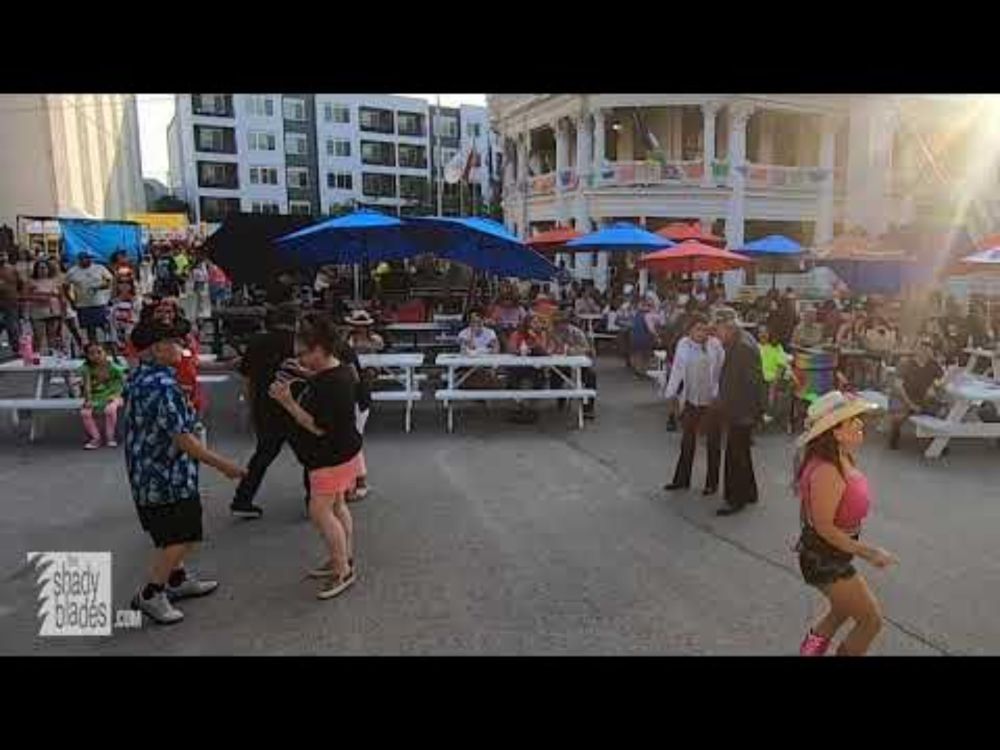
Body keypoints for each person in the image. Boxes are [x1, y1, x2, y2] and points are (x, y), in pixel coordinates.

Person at [124, 323, 246, 625]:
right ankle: (151, 594)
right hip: (166, 476)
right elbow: (182, 438)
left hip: (150, 471)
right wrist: (224, 465)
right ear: (157, 348)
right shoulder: (161, 386)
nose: (182, 347)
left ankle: (176, 579)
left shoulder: (142, 377)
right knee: (182, 536)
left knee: (173, 533)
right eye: (175, 342)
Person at [795, 391, 897, 656]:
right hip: (824, 557)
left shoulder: (842, 458)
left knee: (839, 613)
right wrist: (870, 552)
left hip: (832, 553)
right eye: (853, 419)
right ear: (836, 432)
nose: (861, 423)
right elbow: (825, 527)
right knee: (870, 621)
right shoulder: (828, 471)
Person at [269, 313, 362, 600]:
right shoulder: (341, 370)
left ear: (320, 349)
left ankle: (342, 570)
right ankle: (343, 558)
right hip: (346, 451)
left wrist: (287, 402)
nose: (300, 359)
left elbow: (317, 426)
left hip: (328, 456)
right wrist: (306, 374)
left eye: (304, 354)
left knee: (320, 511)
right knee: (337, 507)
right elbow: (326, 381)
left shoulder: (329, 383)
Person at [229, 305, 302, 519]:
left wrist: (250, 405)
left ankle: (242, 499)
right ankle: (316, 497)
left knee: (263, 454)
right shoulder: (299, 343)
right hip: (295, 404)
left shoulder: (257, 342)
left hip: (265, 404)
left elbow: (248, 378)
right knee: (310, 454)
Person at [663, 314, 724, 494]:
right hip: (691, 399)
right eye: (698, 329)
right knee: (687, 441)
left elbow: (721, 370)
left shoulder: (715, 345)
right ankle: (682, 480)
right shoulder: (683, 344)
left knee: (713, 443)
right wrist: (671, 393)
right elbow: (677, 370)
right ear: (689, 330)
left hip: (711, 401)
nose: (701, 332)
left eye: (704, 329)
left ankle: (711, 484)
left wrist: (717, 395)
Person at [713, 307, 766, 516]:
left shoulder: (741, 347)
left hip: (741, 408)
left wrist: (723, 405)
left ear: (728, 326)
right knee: (742, 452)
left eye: (718, 329)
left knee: (735, 455)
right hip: (745, 407)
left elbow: (738, 383)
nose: (717, 334)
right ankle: (749, 492)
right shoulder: (741, 341)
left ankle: (735, 498)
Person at [887, 338, 944, 450]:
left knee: (941, 414)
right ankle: (895, 433)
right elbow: (898, 386)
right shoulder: (905, 363)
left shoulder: (934, 365)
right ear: (916, 349)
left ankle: (936, 444)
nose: (924, 350)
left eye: (927, 347)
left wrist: (934, 387)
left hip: (922, 398)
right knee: (898, 416)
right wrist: (910, 404)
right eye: (921, 347)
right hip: (903, 397)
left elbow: (940, 381)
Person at [549, 311, 597, 419]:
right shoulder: (551, 333)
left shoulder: (577, 332)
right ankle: (560, 398)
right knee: (555, 373)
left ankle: (589, 407)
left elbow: (587, 350)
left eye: (562, 323)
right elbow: (549, 349)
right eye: (557, 323)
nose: (560, 326)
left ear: (567, 323)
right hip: (560, 364)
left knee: (591, 375)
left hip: (579, 365)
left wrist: (570, 350)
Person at [79, 341, 126, 449]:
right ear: (87, 356)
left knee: (110, 410)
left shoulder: (112, 366)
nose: (96, 356)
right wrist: (88, 400)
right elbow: (87, 386)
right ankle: (96, 438)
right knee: (85, 413)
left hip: (114, 395)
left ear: (105, 353)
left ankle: (111, 437)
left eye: (99, 352)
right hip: (96, 396)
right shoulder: (87, 368)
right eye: (91, 353)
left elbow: (123, 381)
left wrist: (116, 395)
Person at [63, 252, 114, 344]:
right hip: (83, 304)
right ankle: (93, 345)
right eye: (85, 259)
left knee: (104, 325)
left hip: (99, 302)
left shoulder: (99, 268)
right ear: (79, 260)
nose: (87, 260)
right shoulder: (72, 271)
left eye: (89, 258)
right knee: (89, 328)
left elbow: (109, 281)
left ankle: (110, 343)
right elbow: (65, 287)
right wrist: (71, 301)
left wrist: (101, 287)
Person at [26, 258, 65, 354]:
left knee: (52, 336)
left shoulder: (55, 281)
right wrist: (38, 297)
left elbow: (61, 297)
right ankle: (36, 356)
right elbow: (24, 296)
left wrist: (63, 311)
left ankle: (52, 355)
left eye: (44, 268)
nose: (42, 270)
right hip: (37, 313)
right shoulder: (31, 282)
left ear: (48, 269)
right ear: (36, 269)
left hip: (53, 312)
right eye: (40, 268)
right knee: (38, 336)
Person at [0, 251, 24, 353]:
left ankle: (16, 348)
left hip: (11, 302)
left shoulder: (13, 269)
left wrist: (18, 296)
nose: (1, 257)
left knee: (13, 327)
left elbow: (20, 284)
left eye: (2, 255)